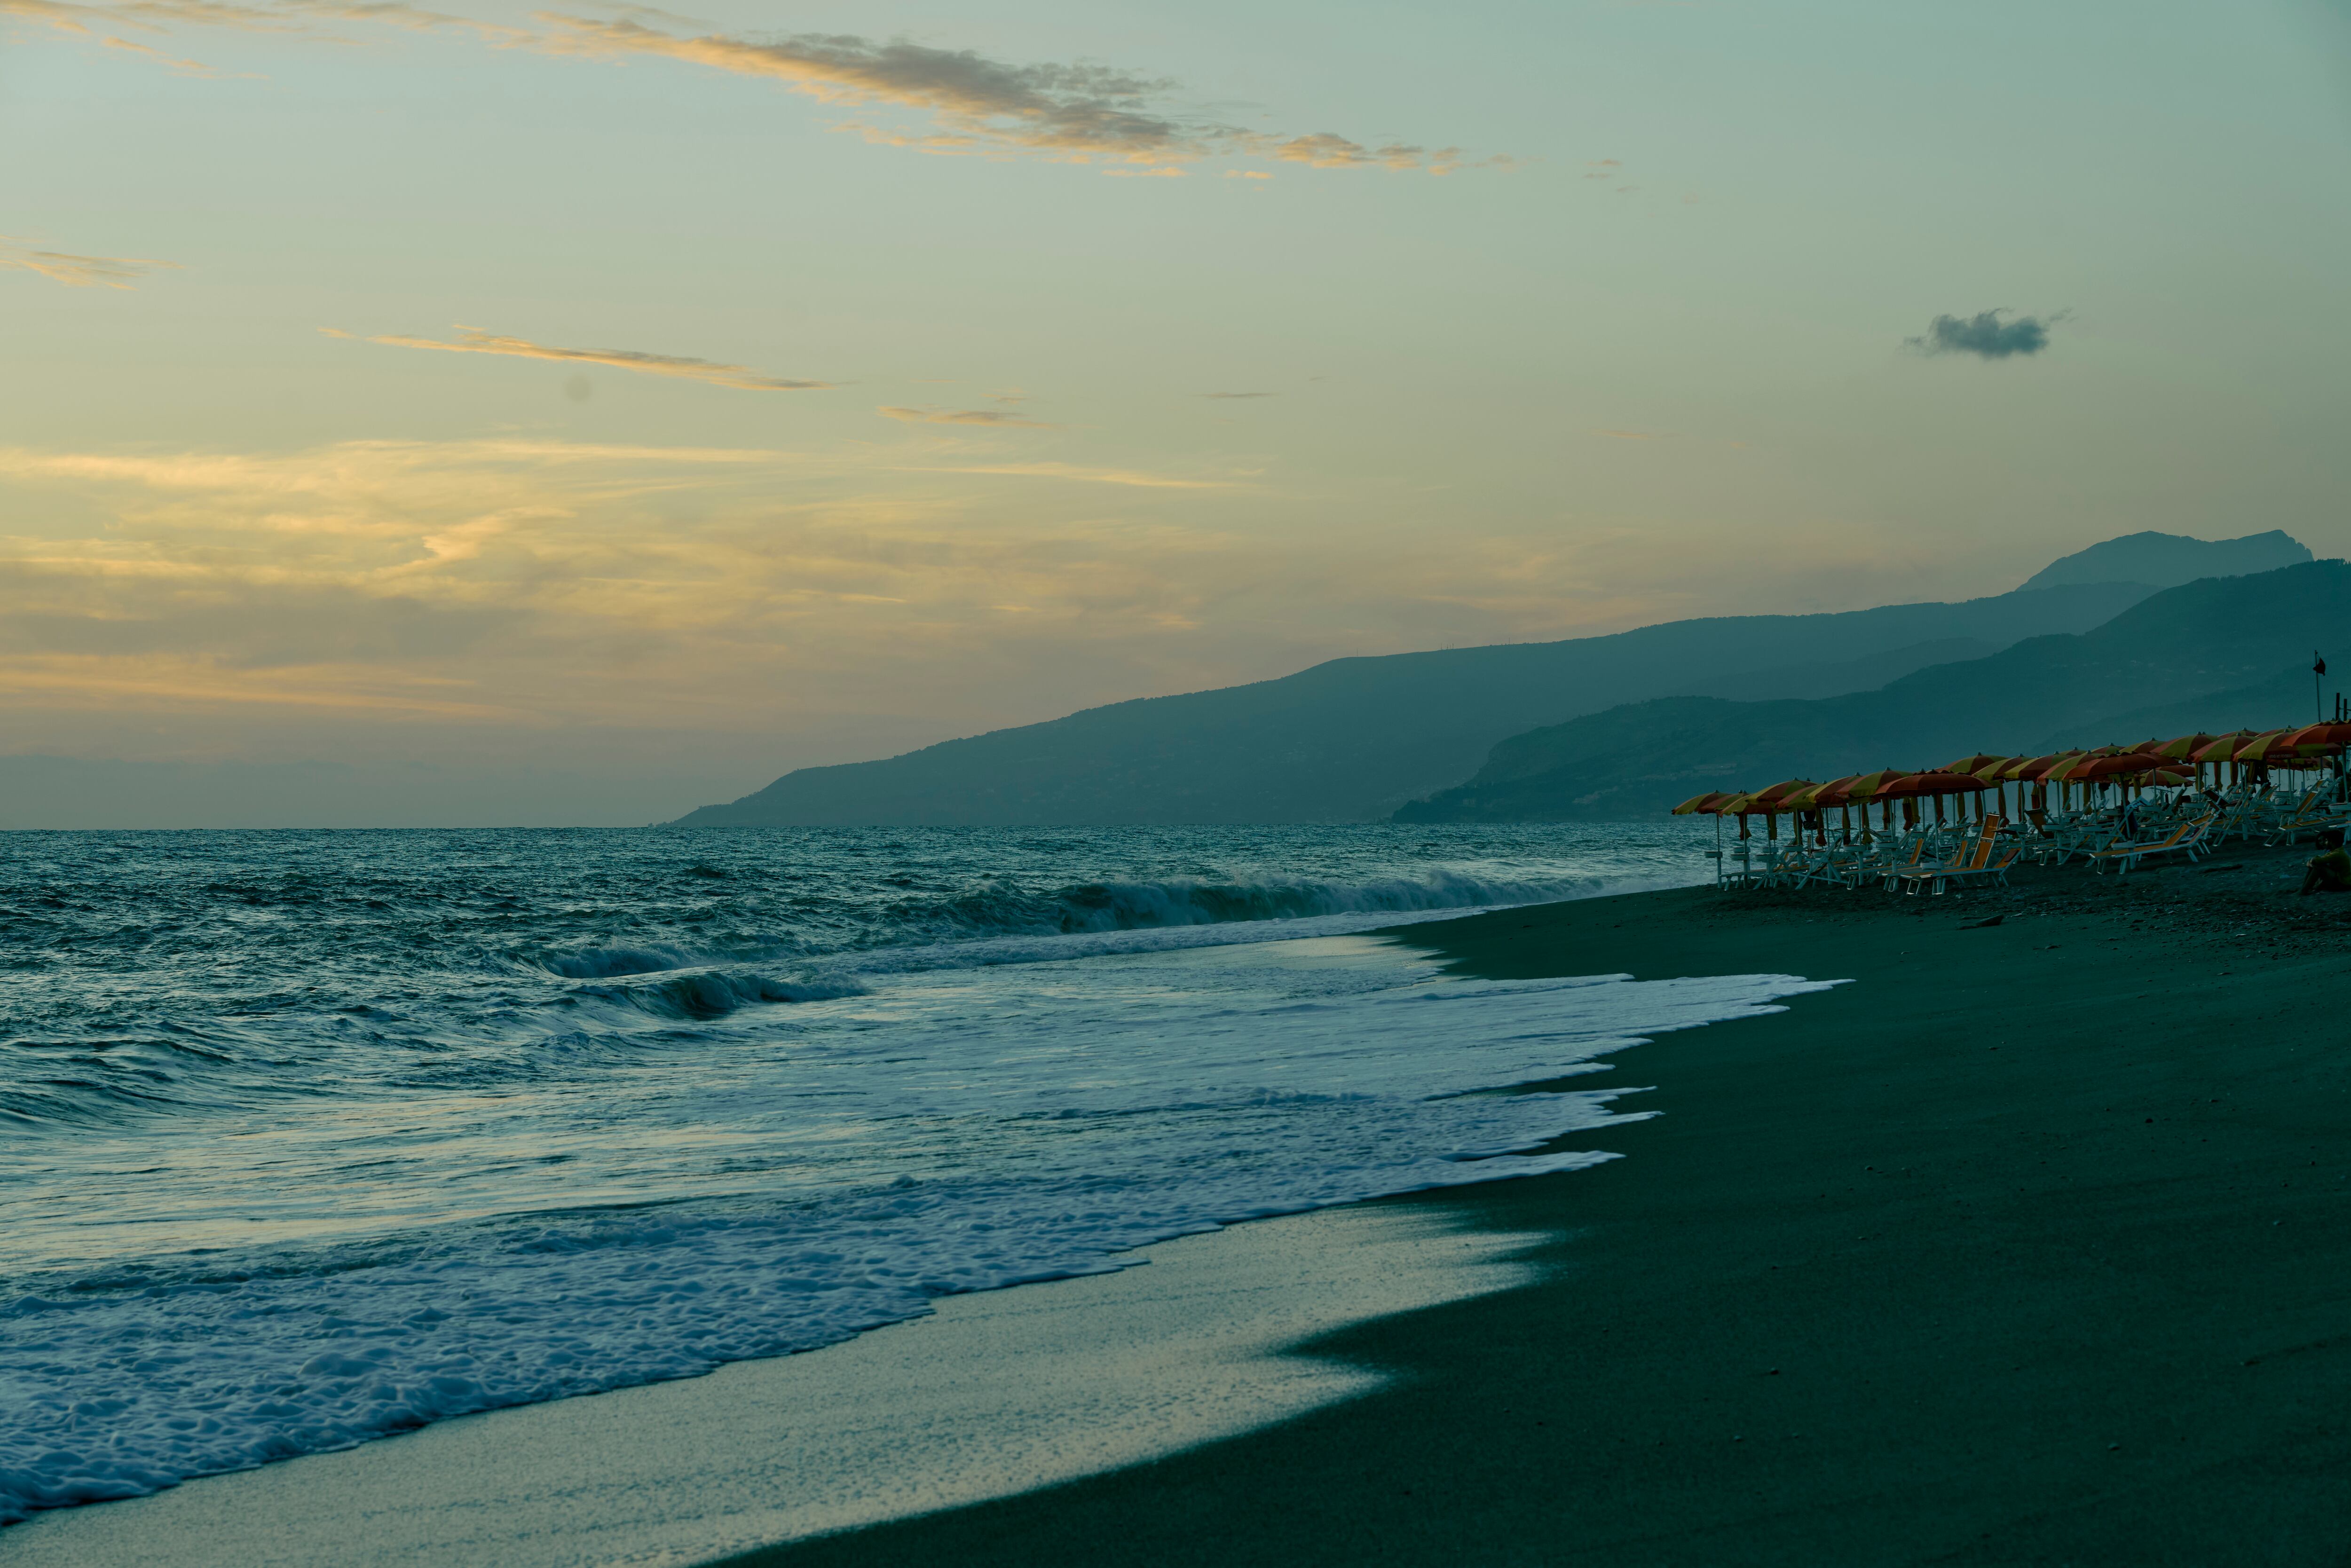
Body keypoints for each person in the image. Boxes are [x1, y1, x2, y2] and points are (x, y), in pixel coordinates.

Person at [2299, 828, 2351, 896]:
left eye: (2326, 840)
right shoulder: (2337, 851)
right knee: (2318, 866)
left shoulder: (2338, 853)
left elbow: (2316, 861)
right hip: (2343, 881)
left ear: (2331, 841)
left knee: (2319, 867)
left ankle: (2304, 890)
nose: (2323, 842)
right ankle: (2304, 889)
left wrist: (2313, 861)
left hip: (2344, 883)